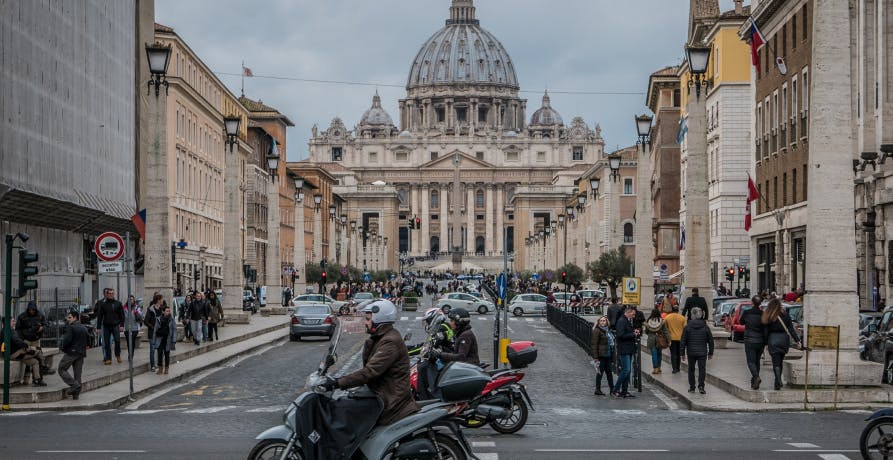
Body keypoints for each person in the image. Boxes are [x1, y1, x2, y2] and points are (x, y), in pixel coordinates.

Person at [320, 300, 420, 425]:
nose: (365, 322)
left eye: (367, 319)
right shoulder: (380, 338)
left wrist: (337, 383)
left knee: (343, 411)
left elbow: (370, 372)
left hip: (390, 400)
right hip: (380, 393)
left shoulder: (390, 342)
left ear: (379, 320)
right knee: (344, 403)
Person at [762, 298, 801, 390]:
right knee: (780, 362)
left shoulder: (768, 316)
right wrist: (797, 340)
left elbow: (765, 332)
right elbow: (791, 329)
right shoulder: (785, 315)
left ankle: (778, 380)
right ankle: (777, 382)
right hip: (783, 340)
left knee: (775, 362)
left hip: (773, 340)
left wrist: (765, 343)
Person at [681, 307, 714, 394]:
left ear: (692, 315)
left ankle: (692, 387)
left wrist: (682, 353)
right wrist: (711, 352)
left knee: (691, 370)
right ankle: (701, 386)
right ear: (701, 315)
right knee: (702, 369)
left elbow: (683, 341)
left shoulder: (687, 327)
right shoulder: (705, 327)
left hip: (691, 352)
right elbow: (711, 340)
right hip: (702, 352)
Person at [58, 309, 88, 399]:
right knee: (77, 374)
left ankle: (74, 385)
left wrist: (62, 348)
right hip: (81, 353)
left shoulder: (71, 327)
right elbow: (89, 340)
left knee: (61, 369)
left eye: (70, 317)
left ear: (75, 318)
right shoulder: (84, 327)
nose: (68, 319)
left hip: (72, 352)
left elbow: (66, 340)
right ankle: (76, 395)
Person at [611, 306, 640, 398]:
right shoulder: (621, 321)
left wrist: (633, 332)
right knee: (626, 370)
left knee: (628, 371)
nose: (634, 316)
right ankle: (615, 389)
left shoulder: (626, 320)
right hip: (624, 349)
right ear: (628, 312)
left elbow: (626, 332)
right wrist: (633, 334)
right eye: (633, 314)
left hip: (629, 348)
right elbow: (620, 335)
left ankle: (624, 391)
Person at [7, 319, 46, 386]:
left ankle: (37, 379)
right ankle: (44, 367)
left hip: (17, 354)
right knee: (38, 351)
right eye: (12, 321)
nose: (14, 323)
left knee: (35, 361)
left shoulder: (7, 331)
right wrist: (25, 345)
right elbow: (17, 341)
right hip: (15, 354)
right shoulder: (10, 331)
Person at [739, 295, 766, 389]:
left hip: (749, 339)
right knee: (757, 361)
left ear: (752, 303)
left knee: (750, 361)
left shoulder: (747, 312)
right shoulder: (763, 314)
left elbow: (741, 322)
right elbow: (765, 327)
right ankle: (755, 382)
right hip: (760, 340)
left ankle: (756, 376)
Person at [95, 288, 124, 365]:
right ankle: (108, 358)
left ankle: (118, 355)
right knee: (107, 343)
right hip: (106, 326)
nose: (111, 295)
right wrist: (98, 327)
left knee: (117, 341)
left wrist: (121, 325)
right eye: (109, 293)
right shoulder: (103, 304)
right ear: (107, 295)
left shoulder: (118, 303)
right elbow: (100, 316)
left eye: (112, 293)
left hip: (115, 325)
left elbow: (122, 315)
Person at [591, 315, 615, 396]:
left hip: (608, 355)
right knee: (600, 373)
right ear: (598, 322)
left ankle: (612, 389)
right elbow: (594, 344)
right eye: (601, 321)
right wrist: (596, 357)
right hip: (601, 356)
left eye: (604, 320)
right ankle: (597, 389)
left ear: (607, 322)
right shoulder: (597, 331)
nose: (602, 322)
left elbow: (611, 343)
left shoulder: (608, 331)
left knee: (609, 373)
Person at [644, 308, 669, 374]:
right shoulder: (661, 321)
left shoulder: (648, 321)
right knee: (659, 354)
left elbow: (646, 331)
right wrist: (668, 340)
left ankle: (655, 368)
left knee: (654, 354)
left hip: (651, 340)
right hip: (660, 339)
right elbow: (665, 331)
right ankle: (659, 367)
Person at [154, 305, 177, 375]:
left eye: (169, 311)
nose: (168, 312)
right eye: (167, 311)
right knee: (159, 354)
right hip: (160, 339)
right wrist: (154, 340)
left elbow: (174, 330)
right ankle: (160, 368)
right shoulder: (158, 319)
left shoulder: (171, 319)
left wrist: (174, 340)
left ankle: (166, 368)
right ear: (163, 311)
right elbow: (155, 329)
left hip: (168, 339)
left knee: (167, 354)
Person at [664, 306, 687, 374]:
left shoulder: (667, 317)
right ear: (678, 310)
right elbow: (685, 328)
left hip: (671, 338)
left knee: (673, 353)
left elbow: (665, 328)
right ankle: (678, 367)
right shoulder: (682, 318)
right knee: (679, 353)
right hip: (680, 338)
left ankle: (674, 368)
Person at [144, 293, 162, 372]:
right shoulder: (150, 310)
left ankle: (159, 363)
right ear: (158, 300)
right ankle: (152, 366)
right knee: (152, 350)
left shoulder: (162, 309)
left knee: (160, 349)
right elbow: (145, 321)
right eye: (161, 299)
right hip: (152, 333)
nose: (162, 300)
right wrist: (152, 327)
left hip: (160, 332)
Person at [122, 295, 142, 361]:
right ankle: (129, 353)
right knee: (128, 342)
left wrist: (136, 312)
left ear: (134, 300)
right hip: (126, 328)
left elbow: (141, 317)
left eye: (131, 299)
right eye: (129, 299)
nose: (130, 300)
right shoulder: (124, 308)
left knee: (132, 341)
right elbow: (121, 317)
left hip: (135, 328)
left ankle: (131, 355)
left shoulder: (136, 307)